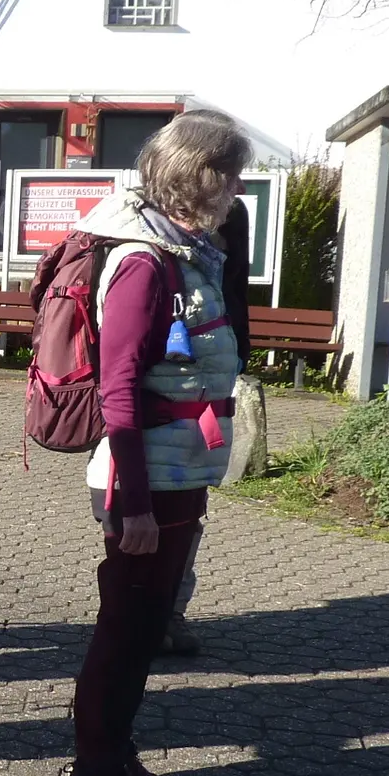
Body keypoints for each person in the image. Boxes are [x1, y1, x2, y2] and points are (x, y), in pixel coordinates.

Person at [65, 109, 251, 776]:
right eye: (229, 172)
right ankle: (95, 773)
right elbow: (119, 389)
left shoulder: (185, 251)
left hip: (179, 473)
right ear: (200, 177)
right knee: (126, 629)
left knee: (144, 629)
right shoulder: (144, 262)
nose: (236, 186)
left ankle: (116, 755)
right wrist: (134, 502)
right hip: (145, 481)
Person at [163, 198, 253, 657]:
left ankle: (168, 615)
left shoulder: (219, 265)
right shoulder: (160, 261)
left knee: (187, 518)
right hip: (159, 416)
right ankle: (140, 615)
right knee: (139, 516)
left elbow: (237, 325)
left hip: (202, 416)